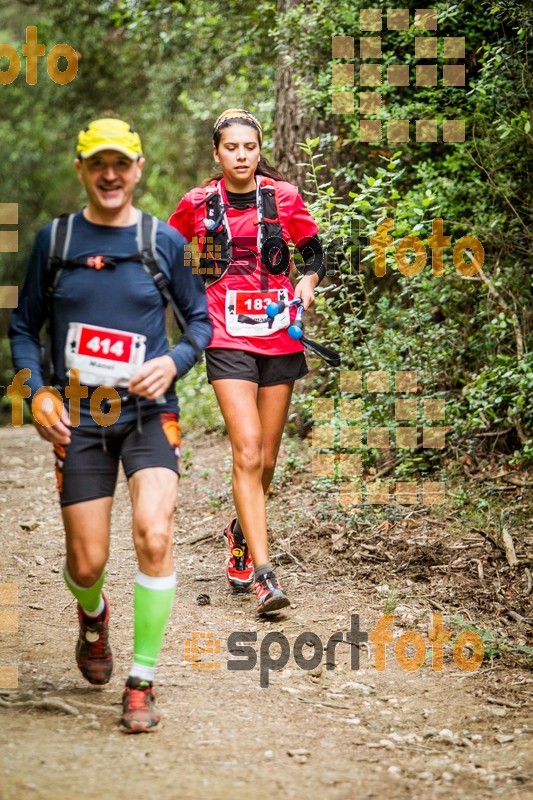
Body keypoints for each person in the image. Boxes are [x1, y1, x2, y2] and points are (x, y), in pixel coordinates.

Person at [9, 118, 212, 733]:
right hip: (79, 417)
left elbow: (200, 323)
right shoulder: (57, 241)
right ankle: (92, 617)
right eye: (99, 163)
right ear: (82, 170)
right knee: (87, 562)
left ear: (138, 169)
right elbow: (23, 327)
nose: (110, 174)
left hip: (150, 412)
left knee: (155, 533)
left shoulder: (163, 243)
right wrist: (34, 392)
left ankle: (141, 681)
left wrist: (172, 361)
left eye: (121, 163)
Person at [168, 108, 325, 615]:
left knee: (269, 461)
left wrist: (306, 282)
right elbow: (167, 255)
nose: (241, 155)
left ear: (260, 151)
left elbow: (315, 251)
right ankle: (264, 575)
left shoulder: (283, 198)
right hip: (226, 338)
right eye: (231, 148)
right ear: (216, 154)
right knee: (249, 451)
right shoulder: (196, 204)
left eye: (249, 147)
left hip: (279, 337)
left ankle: (239, 533)